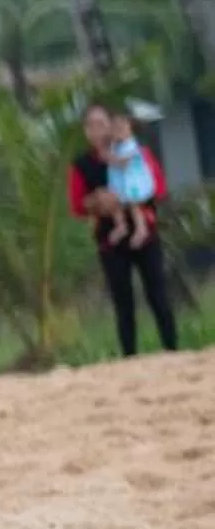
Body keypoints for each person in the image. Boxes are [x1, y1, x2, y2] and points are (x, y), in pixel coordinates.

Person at [74, 101, 179, 357]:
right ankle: (129, 356)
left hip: (145, 232)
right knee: (123, 302)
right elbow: (78, 205)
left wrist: (127, 198)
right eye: (90, 125)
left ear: (114, 125)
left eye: (101, 124)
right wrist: (97, 201)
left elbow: (159, 189)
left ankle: (172, 350)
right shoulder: (82, 165)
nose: (96, 131)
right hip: (110, 238)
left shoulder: (137, 153)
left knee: (158, 294)